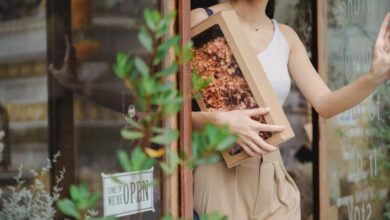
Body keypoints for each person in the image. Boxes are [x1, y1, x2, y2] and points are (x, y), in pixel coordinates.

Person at [190, 0, 389, 219]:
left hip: (272, 175)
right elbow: (162, 111)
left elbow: (325, 103)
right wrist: (218, 121)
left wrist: (373, 77)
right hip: (220, 171)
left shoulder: (285, 36)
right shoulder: (201, 20)